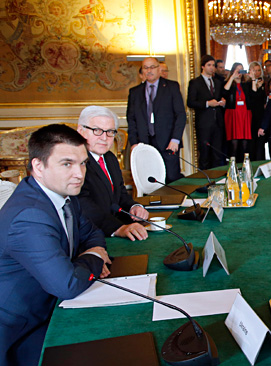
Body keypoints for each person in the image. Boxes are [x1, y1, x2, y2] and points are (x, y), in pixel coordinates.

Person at [0, 124, 110, 366]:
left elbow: (93, 233)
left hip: (49, 306)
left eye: (82, 163)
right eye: (67, 164)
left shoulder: (64, 196)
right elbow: (67, 284)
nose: (80, 174)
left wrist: (90, 252)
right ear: (38, 166)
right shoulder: (29, 215)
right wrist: (95, 258)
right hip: (21, 331)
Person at [77, 106, 149, 241]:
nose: (104, 138)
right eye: (97, 130)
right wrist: (118, 228)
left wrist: (134, 207)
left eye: (110, 132)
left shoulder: (110, 158)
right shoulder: (76, 162)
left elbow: (120, 193)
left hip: (116, 226)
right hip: (91, 236)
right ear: (81, 131)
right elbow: (84, 205)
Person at [126, 57, 186, 183]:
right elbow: (131, 119)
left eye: (152, 67)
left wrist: (175, 139)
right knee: (149, 180)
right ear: (142, 71)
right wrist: (134, 143)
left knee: (171, 179)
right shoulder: (135, 92)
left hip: (168, 143)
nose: (149, 70)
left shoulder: (172, 87)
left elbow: (180, 115)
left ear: (159, 69)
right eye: (146, 68)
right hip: (144, 144)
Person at [187, 55, 226, 169]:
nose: (212, 68)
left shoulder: (218, 82)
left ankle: (217, 180)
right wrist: (207, 103)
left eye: (213, 65)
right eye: (209, 65)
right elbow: (190, 102)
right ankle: (205, 182)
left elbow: (220, 98)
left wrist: (222, 102)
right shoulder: (195, 82)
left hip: (218, 123)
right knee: (204, 154)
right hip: (204, 124)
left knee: (217, 154)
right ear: (203, 66)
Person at [223, 62, 261, 162]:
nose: (240, 73)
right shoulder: (229, 84)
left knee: (245, 144)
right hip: (233, 115)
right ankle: (232, 165)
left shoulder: (246, 85)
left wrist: (253, 79)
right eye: (237, 70)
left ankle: (244, 165)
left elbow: (254, 94)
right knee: (234, 143)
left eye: (242, 70)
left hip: (245, 115)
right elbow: (224, 93)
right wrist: (232, 77)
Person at [246, 61, 267, 161]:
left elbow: (263, 100)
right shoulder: (247, 84)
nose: (257, 72)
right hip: (250, 115)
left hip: (261, 115)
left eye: (259, 70)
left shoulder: (263, 84)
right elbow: (253, 97)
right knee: (252, 142)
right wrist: (254, 82)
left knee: (260, 142)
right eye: (255, 70)